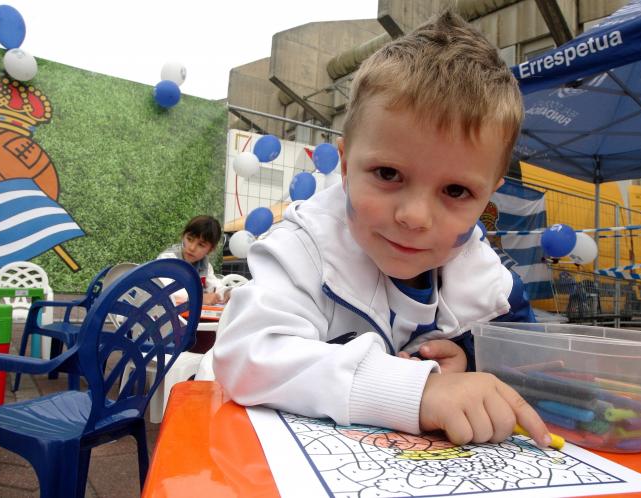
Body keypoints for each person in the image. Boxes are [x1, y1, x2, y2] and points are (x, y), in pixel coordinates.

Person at [212, 10, 550, 447]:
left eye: (455, 190)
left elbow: (532, 367)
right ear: (347, 167)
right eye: (388, 174)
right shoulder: (304, 248)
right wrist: (419, 391)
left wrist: (467, 361)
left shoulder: (493, 285)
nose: (415, 216)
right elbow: (246, 355)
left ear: (487, 198)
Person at [158, 215, 225, 305]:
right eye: (189, 239)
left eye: (201, 245)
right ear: (183, 236)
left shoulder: (205, 266)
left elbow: (215, 287)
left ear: (211, 249)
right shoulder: (168, 260)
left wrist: (227, 293)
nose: (192, 248)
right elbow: (164, 291)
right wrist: (200, 298)